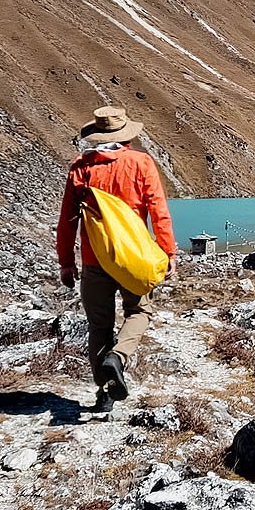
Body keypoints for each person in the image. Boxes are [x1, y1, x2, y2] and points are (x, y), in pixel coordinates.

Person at [55, 106, 176, 412]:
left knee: (99, 326)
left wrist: (66, 261)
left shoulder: (81, 167)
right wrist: (168, 252)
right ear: (127, 137)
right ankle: (119, 357)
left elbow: (67, 221)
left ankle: (105, 394)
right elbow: (158, 212)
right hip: (133, 259)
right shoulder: (141, 163)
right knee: (139, 312)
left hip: (95, 260)